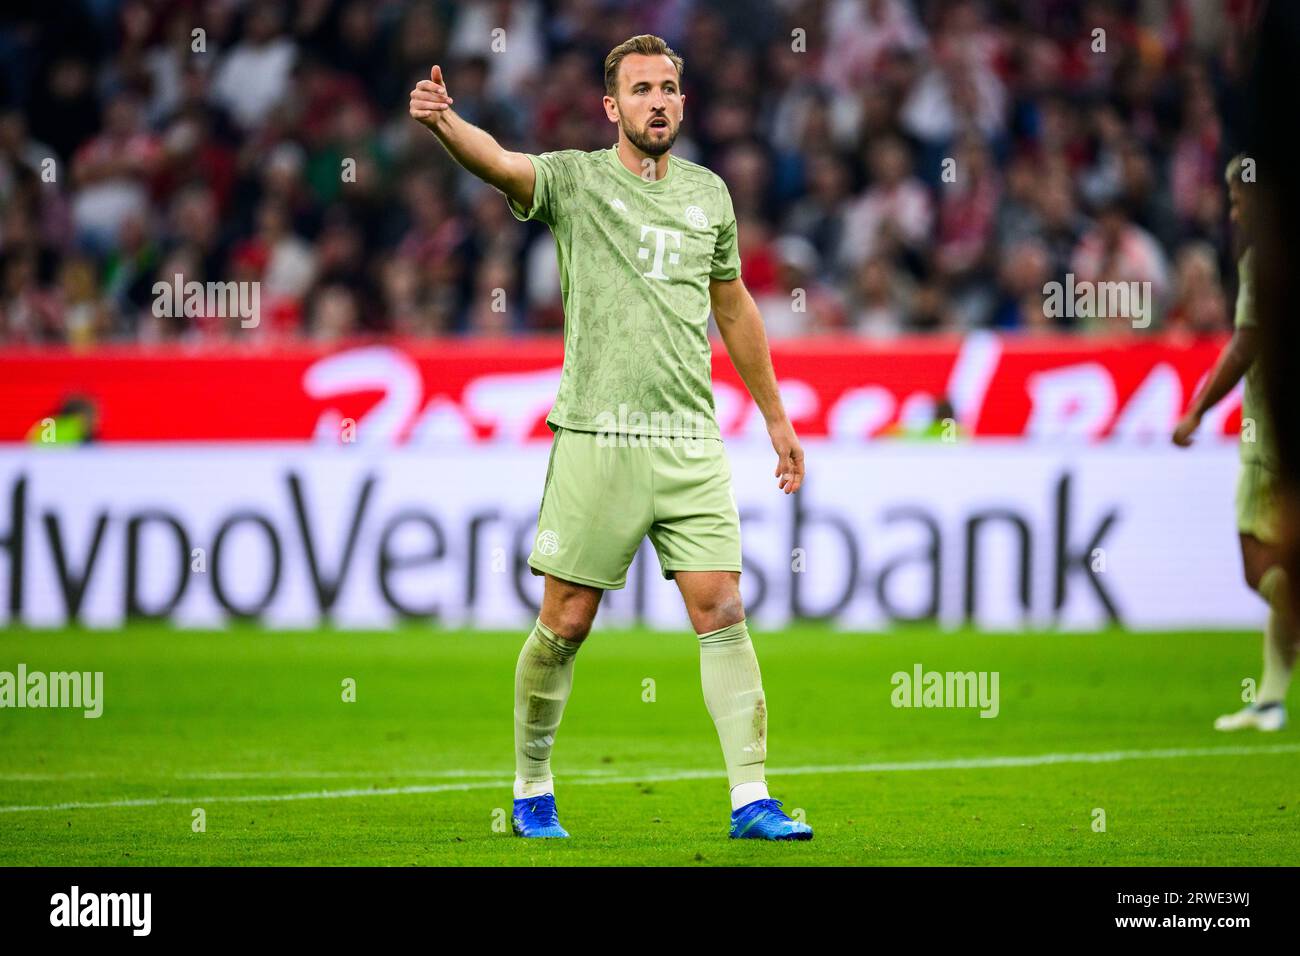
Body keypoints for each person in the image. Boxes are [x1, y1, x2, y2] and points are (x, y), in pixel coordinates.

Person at [409, 35, 812, 840]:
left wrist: (773, 414)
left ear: (682, 102)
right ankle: (531, 790)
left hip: (689, 437)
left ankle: (752, 798)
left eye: (668, 89)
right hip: (599, 432)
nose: (657, 102)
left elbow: (732, 308)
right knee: (566, 621)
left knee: (722, 604)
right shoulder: (577, 181)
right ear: (612, 108)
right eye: (641, 91)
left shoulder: (709, 197)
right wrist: (447, 123)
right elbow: (502, 165)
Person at [1172, 155, 1296, 731]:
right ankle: (1270, 699)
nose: (1233, 209)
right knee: (1287, 569)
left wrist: (1196, 409)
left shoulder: (1261, 255)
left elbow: (1245, 344)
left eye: (1238, 199)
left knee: (1258, 565)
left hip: (1271, 430)